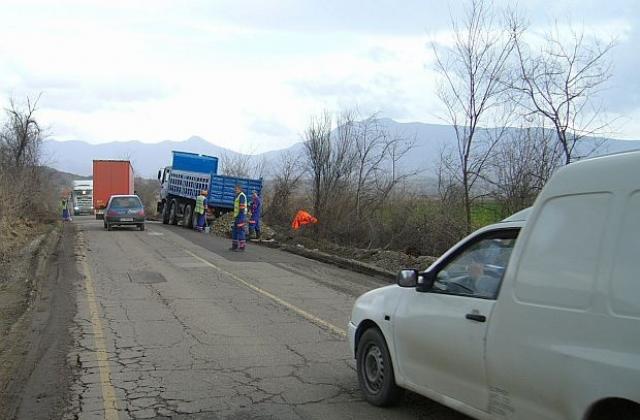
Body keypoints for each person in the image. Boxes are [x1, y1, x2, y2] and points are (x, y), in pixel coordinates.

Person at [230, 184, 247, 251]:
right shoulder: (237, 196)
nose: (235, 190)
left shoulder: (241, 196)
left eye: (236, 189)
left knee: (240, 231)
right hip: (237, 215)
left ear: (239, 189)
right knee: (235, 231)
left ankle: (242, 247)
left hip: (241, 216)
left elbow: (242, 207)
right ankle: (235, 245)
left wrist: (240, 216)